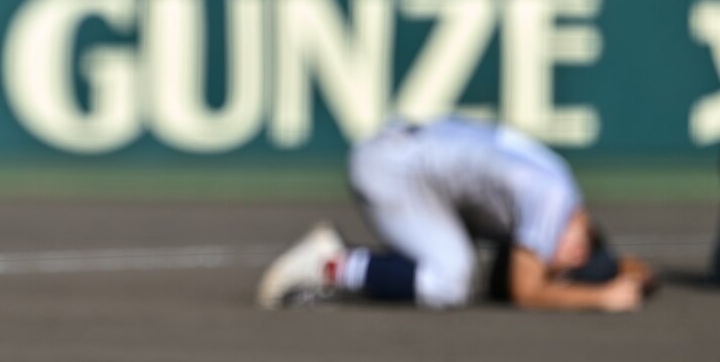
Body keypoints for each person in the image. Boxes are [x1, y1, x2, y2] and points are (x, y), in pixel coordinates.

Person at [257, 117, 653, 312]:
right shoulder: (554, 199)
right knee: (451, 281)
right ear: (582, 240)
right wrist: (600, 296)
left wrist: (632, 271)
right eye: (570, 262)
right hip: (394, 170)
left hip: (403, 150)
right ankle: (333, 264)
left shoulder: (555, 174)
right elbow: (526, 290)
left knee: (465, 259)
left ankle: (349, 261)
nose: (556, 261)